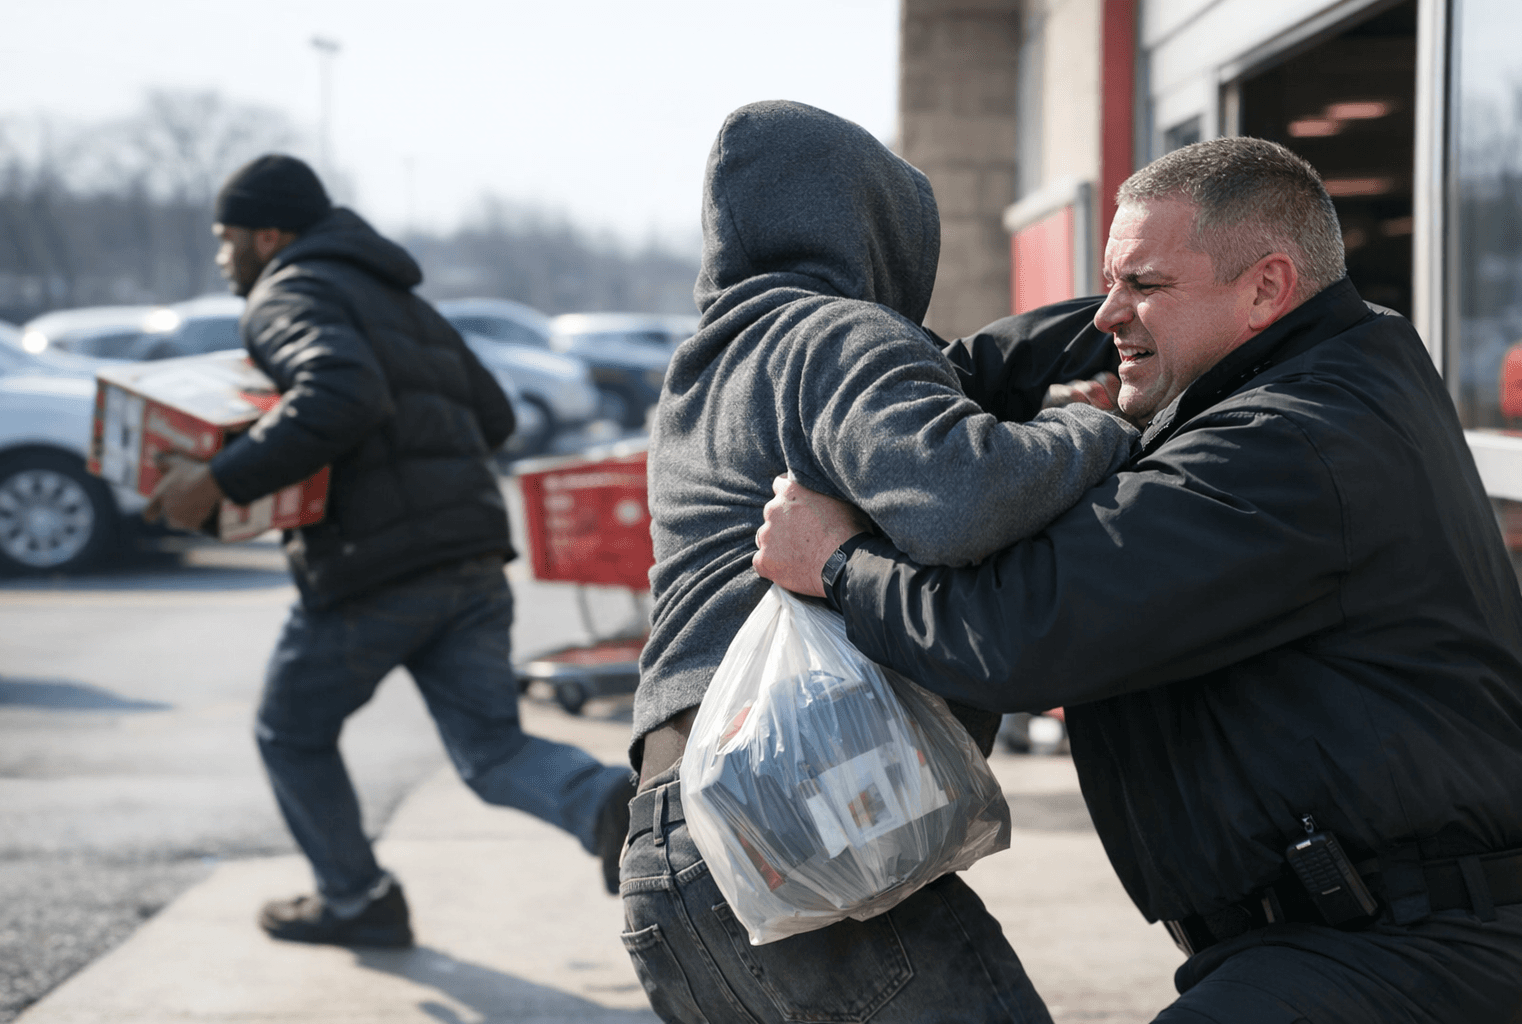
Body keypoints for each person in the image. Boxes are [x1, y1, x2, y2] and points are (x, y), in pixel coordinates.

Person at [754, 136, 1522, 1021]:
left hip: (1390, 956)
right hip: (1345, 941)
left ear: (1268, 288)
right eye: (1112, 281)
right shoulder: (1345, 359)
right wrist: (929, 385)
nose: (1107, 316)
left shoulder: (1285, 446)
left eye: (1143, 287)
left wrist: (840, 564)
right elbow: (1103, 324)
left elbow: (1022, 630)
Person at [623, 100, 1139, 1024]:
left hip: (672, 858)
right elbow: (963, 499)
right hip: (804, 812)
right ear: (878, 229)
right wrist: (1098, 426)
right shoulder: (834, 333)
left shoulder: (703, 373)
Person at [144, 154, 634, 948]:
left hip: (377, 569)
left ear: (268, 234)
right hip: (473, 556)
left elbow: (343, 391)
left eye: (224, 237)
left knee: (290, 730)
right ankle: (607, 800)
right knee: (491, 750)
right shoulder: (401, 299)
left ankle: (355, 898)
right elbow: (495, 415)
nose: (221, 255)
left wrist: (223, 478)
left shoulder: (288, 292)